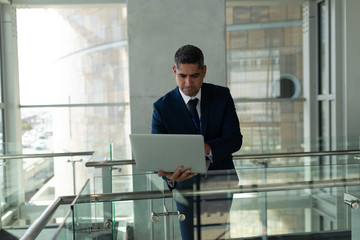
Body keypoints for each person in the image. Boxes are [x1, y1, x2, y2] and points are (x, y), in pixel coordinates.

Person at [151, 44, 242, 239]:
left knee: (217, 237)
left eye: (194, 76)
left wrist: (206, 148)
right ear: (174, 71)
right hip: (185, 190)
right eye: (182, 75)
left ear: (204, 71)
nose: (188, 83)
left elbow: (235, 140)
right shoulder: (162, 107)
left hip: (220, 183)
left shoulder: (221, 96)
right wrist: (169, 176)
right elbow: (155, 154)